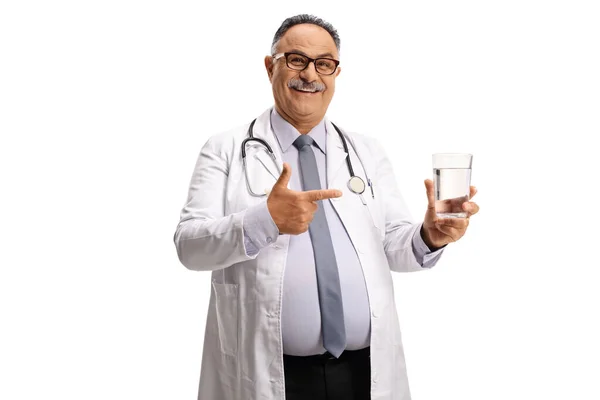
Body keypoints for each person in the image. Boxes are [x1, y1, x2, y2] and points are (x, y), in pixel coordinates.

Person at [173, 14, 479, 400]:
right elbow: (188, 246)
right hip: (271, 375)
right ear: (271, 67)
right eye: (296, 60)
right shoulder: (225, 149)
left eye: (324, 63)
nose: (310, 74)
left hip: (363, 372)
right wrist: (264, 220)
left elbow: (394, 246)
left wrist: (429, 236)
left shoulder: (367, 151)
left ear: (335, 72)